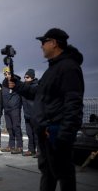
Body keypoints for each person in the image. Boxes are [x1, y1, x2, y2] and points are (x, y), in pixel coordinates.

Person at [9, 28, 84, 191]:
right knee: (48, 173)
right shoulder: (53, 69)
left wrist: (64, 135)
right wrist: (18, 85)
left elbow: (74, 104)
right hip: (47, 131)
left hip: (56, 131)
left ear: (54, 43)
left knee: (64, 175)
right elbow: (38, 92)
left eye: (44, 42)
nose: (41, 46)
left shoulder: (68, 68)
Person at [0, 67, 23, 154]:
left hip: (15, 108)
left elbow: (21, 94)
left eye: (8, 73)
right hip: (7, 109)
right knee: (9, 128)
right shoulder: (4, 83)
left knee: (16, 127)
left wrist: (18, 106)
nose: (7, 75)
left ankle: (20, 146)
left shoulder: (17, 82)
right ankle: (11, 145)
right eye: (5, 74)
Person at [21, 69, 39, 157]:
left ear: (32, 77)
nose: (25, 79)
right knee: (29, 133)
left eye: (27, 77)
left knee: (36, 134)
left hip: (35, 114)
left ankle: (40, 151)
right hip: (27, 114)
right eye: (24, 77)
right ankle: (31, 150)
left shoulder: (36, 86)